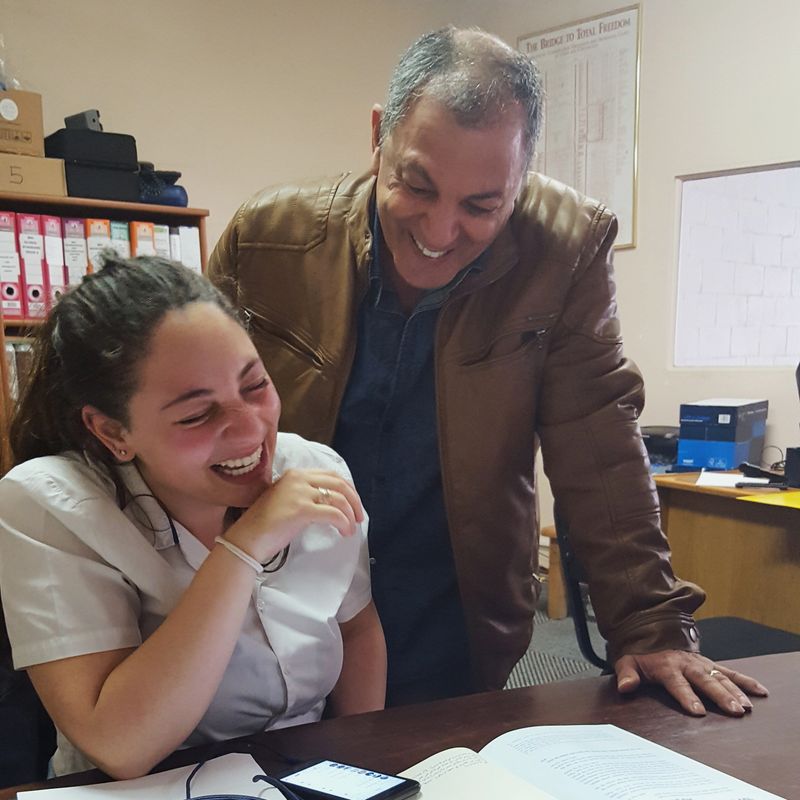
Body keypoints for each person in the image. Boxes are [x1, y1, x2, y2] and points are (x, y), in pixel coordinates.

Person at [208, 26, 767, 714]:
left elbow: (597, 442)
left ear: (523, 173)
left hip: (453, 600)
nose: (440, 233)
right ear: (379, 135)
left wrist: (648, 622)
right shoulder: (270, 237)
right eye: (416, 185)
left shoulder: (564, 249)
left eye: (482, 206)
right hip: (279, 596)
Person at [0, 256, 386, 779]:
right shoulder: (46, 504)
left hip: (298, 774)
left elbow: (358, 629)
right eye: (197, 415)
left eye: (255, 386)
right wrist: (243, 547)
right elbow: (121, 745)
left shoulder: (314, 468)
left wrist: (362, 767)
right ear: (113, 432)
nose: (250, 431)